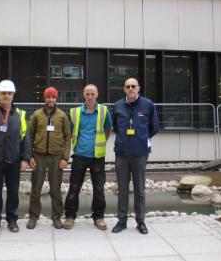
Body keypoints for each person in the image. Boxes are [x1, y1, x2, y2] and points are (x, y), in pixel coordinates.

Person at [0, 80, 31, 233]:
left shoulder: (20, 115)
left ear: (13, 95)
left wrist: (25, 159)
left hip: (14, 161)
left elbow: (26, 139)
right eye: (3, 93)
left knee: (13, 192)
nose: (6, 96)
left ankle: (12, 220)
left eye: (9, 93)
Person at [111, 78, 159, 234]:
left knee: (139, 189)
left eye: (133, 86)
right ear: (124, 89)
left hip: (140, 153)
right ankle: (122, 221)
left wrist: (140, 139)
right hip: (122, 154)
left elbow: (154, 128)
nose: (130, 88)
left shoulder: (148, 104)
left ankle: (141, 222)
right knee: (122, 188)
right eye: (127, 86)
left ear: (139, 88)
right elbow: (116, 127)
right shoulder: (118, 105)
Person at [63, 84, 112, 231]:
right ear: (83, 95)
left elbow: (107, 130)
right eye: (87, 94)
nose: (90, 97)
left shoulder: (104, 111)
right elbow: (69, 131)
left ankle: (98, 217)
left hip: (97, 156)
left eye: (92, 94)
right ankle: (70, 216)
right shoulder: (76, 112)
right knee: (74, 187)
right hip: (79, 155)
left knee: (99, 188)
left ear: (96, 95)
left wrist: (100, 143)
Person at [26, 87, 72, 230]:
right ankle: (33, 216)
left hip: (56, 157)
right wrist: (30, 156)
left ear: (56, 99)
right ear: (44, 99)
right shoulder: (37, 115)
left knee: (55, 189)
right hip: (38, 155)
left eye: (53, 97)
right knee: (36, 188)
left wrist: (65, 157)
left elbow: (67, 137)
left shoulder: (62, 116)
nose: (51, 99)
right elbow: (29, 136)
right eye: (48, 97)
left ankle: (56, 216)